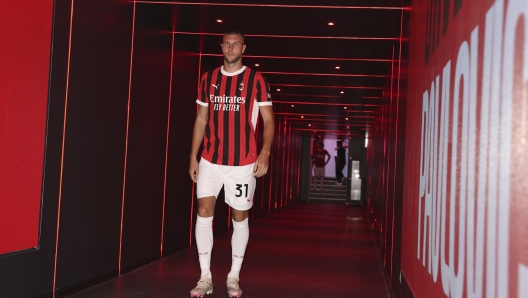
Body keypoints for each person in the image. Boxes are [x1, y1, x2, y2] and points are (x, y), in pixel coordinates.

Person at [188, 29, 275, 298]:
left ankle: (233, 276)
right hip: (210, 160)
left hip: (243, 164)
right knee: (204, 211)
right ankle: (205, 277)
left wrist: (265, 152)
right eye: (227, 43)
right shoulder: (208, 78)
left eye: (236, 44)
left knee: (240, 217)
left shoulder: (256, 79)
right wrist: (193, 155)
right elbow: (201, 119)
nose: (231, 47)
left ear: (243, 49)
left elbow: (269, 121)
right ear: (222, 47)